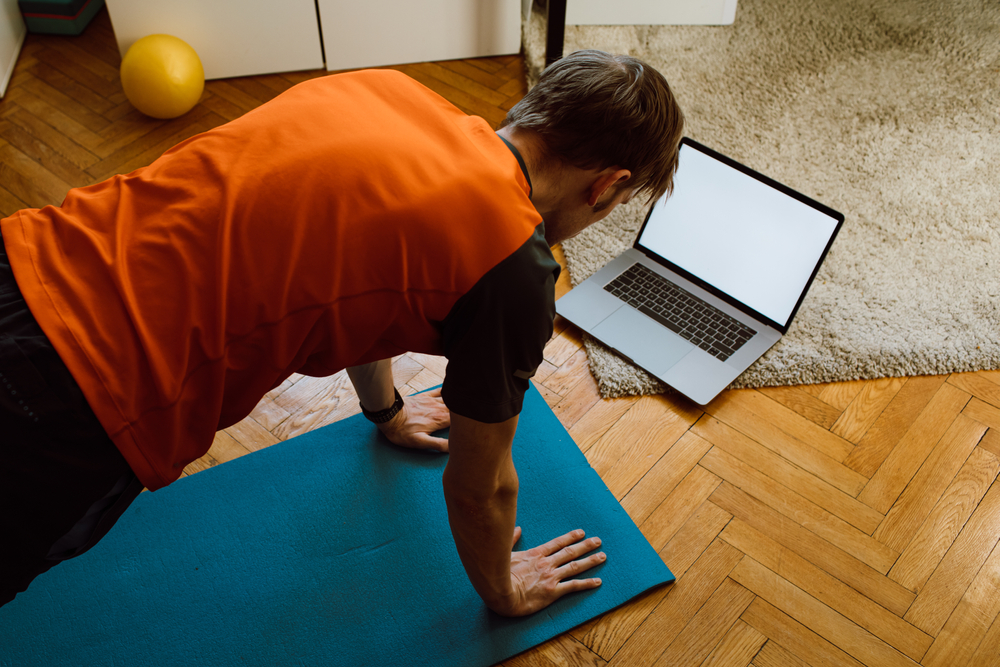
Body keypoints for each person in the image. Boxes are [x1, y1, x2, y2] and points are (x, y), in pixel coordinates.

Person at [0, 49, 684, 614]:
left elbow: (362, 259)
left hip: (27, 258)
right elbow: (480, 486)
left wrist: (384, 409)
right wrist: (504, 587)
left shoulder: (388, 91)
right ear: (605, 186)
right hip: (75, 395)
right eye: (618, 203)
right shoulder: (514, 267)